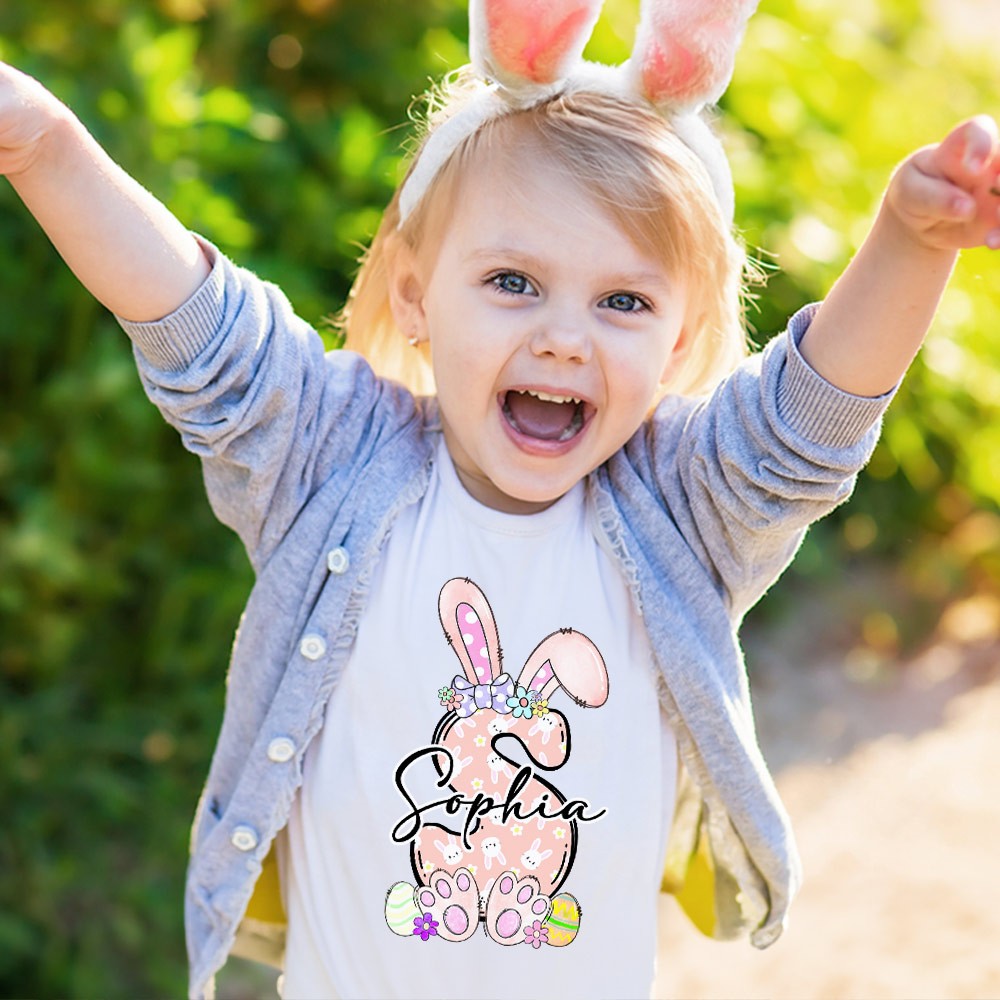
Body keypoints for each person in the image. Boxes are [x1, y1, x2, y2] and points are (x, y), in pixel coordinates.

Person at [2, 0, 998, 997]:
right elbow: (200, 333)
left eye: (623, 301)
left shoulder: (683, 512)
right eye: (513, 281)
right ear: (412, 295)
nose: (564, 337)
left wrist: (913, 239)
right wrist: (41, 141)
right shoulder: (330, 460)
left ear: (682, 344)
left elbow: (805, 427)